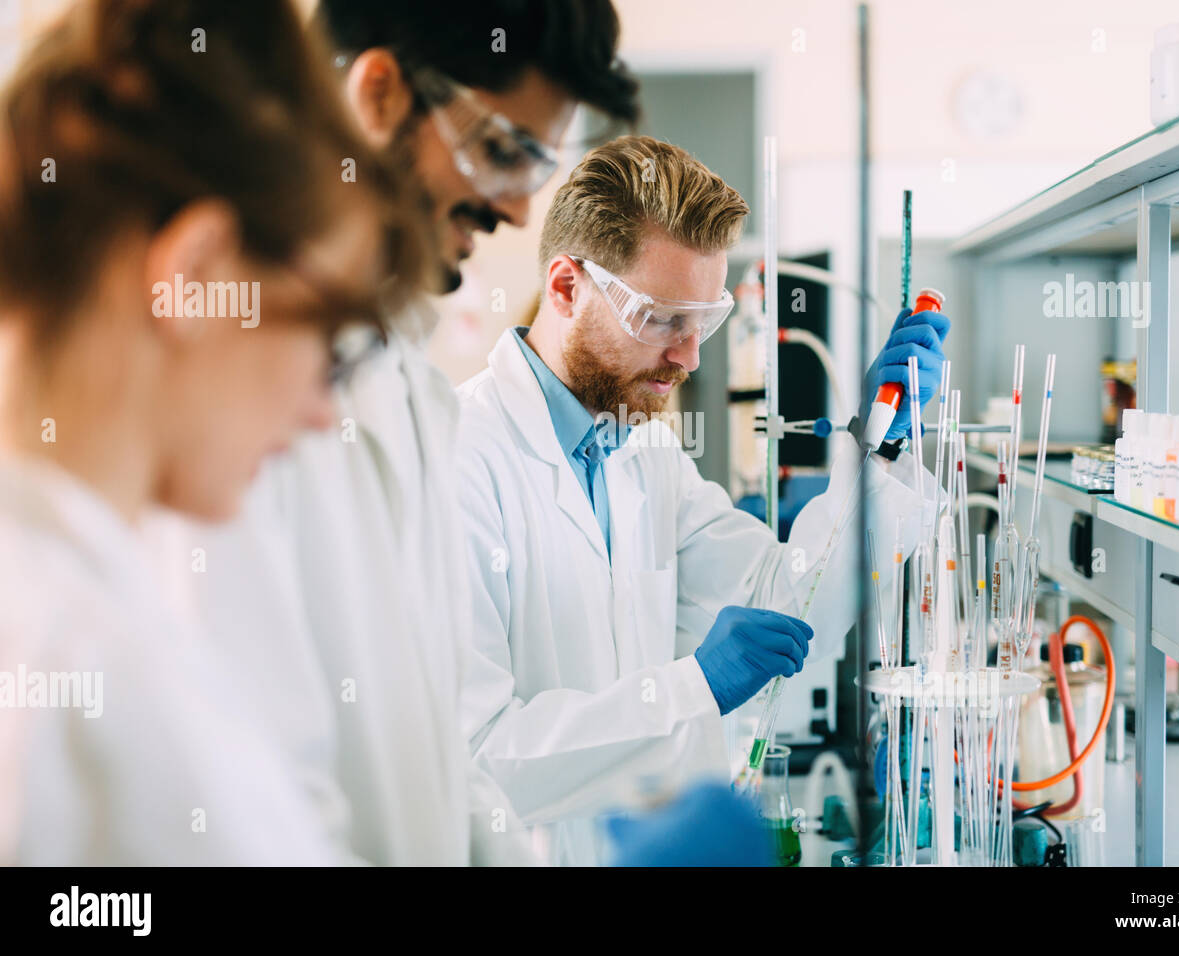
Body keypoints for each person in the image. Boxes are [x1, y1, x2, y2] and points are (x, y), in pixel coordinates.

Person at [144, 0, 649, 865]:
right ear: (378, 95)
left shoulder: (415, 389)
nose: (521, 212)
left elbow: (439, 761)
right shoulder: (233, 371)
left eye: (540, 166)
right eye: (502, 153)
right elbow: (247, 809)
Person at [0, 0, 426, 864]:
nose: (323, 411)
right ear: (194, 276)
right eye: (327, 338)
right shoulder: (79, 673)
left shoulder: (79, 597)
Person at [454, 136, 950, 865]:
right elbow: (475, 758)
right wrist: (692, 688)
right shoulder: (459, 456)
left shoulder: (644, 450)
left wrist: (874, 446)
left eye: (703, 321)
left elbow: (790, 603)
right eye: (661, 318)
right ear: (566, 287)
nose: (688, 357)